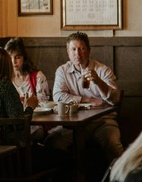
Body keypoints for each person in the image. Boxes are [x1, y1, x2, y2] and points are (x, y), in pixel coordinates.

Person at [53, 31, 123, 160]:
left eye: (81, 48)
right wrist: (87, 100)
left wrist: (98, 82)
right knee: (53, 142)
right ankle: (66, 179)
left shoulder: (103, 70)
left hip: (102, 122)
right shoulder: (62, 71)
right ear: (68, 52)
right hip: (72, 123)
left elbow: (115, 99)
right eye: (73, 49)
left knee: (113, 145)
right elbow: (58, 95)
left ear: (89, 50)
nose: (77, 53)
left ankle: (120, 178)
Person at [5, 37, 51, 105]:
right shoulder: (5, 78)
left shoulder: (38, 77)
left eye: (17, 57)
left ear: (24, 57)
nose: (13, 61)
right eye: (10, 58)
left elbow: (43, 105)